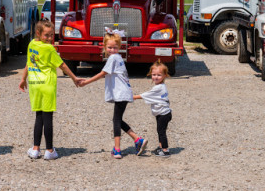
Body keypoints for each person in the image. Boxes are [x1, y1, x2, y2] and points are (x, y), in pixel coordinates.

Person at [19, 19, 81, 160]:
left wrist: (23, 79)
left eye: (51, 35)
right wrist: (74, 78)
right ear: (38, 33)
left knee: (39, 116)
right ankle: (49, 150)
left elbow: (29, 63)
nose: (49, 38)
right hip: (47, 85)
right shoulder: (49, 49)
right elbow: (62, 65)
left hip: (35, 84)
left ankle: (35, 149)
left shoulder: (32, 44)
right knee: (47, 117)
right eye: (46, 35)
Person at [79, 30, 147, 159]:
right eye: (109, 47)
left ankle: (117, 149)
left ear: (119, 47)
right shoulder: (118, 57)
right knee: (118, 119)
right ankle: (137, 139)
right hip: (124, 93)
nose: (112, 50)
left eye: (115, 48)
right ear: (104, 47)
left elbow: (103, 73)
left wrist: (86, 82)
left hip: (121, 93)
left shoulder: (113, 58)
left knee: (116, 120)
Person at [133, 60, 172, 158]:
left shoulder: (158, 88)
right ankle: (161, 147)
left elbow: (146, 95)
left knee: (161, 132)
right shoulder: (161, 86)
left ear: (165, 76)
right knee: (160, 130)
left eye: (159, 75)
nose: (156, 77)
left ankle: (165, 150)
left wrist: (133, 97)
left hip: (163, 114)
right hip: (162, 113)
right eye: (154, 74)